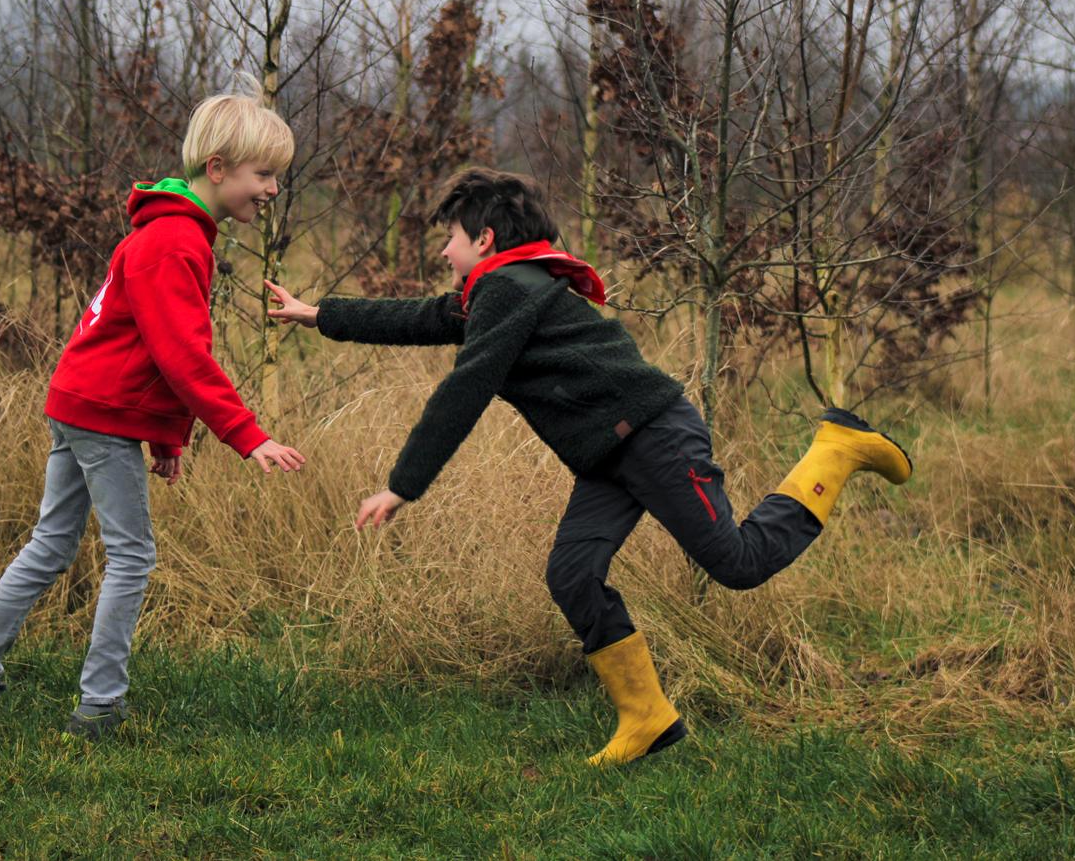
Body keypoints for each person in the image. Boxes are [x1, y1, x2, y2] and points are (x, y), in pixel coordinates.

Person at [264, 167, 911, 765]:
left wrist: (402, 486)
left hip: (654, 436)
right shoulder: (502, 288)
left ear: (484, 238)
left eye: (452, 240)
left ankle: (834, 450)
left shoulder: (507, 288)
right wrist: (320, 314)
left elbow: (466, 387)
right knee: (573, 574)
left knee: (737, 563)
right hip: (609, 454)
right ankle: (648, 718)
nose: (444, 253)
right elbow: (424, 317)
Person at [0, 80, 307, 741]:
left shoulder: (164, 230)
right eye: (264, 174)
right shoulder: (177, 242)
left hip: (81, 401)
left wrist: (165, 436)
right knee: (131, 556)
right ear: (217, 169)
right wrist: (247, 436)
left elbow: (141, 345)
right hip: (100, 413)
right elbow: (183, 356)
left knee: (52, 542)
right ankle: (99, 705)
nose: (272, 189)